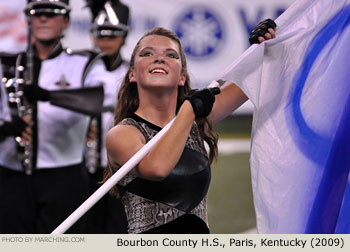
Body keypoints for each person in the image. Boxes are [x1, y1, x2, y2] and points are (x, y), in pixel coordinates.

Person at [105, 23, 276, 233]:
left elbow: (258, 76)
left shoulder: (193, 121)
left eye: (171, 55)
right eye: (147, 53)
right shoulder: (122, 134)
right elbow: (157, 168)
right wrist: (187, 110)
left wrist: (265, 45)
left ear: (182, 77)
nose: (159, 58)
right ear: (132, 74)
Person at [0, 0, 106, 234]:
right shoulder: (6, 63)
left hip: (63, 175)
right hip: (12, 175)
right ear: (28, 19)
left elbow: (97, 99)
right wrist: (6, 128)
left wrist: (48, 95)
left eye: (52, 13)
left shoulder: (83, 62)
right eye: (37, 13)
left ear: (66, 21)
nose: (44, 18)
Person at [83, 0, 129, 233]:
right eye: (101, 35)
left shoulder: (132, 72)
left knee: (119, 225)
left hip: (121, 164)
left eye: (112, 35)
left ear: (123, 37)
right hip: (88, 163)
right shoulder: (85, 67)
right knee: (91, 225)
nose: (106, 41)